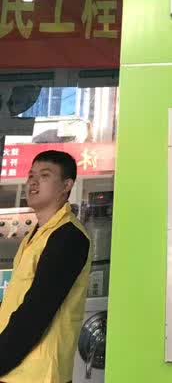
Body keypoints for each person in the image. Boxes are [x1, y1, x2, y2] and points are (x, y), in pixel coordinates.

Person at [0, 150, 91, 382]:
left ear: (66, 186)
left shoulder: (68, 237)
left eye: (45, 175)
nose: (33, 181)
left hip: (39, 373)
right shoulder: (36, 234)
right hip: (16, 371)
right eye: (31, 175)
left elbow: (37, 310)